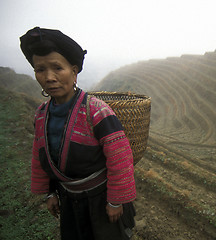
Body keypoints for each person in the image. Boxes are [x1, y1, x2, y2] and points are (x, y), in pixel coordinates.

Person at [20, 27, 136, 240]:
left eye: (57, 68)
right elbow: (41, 156)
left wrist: (115, 201)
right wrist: (50, 192)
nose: (49, 77)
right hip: (69, 198)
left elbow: (120, 158)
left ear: (74, 71)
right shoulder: (41, 114)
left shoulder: (96, 111)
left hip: (101, 198)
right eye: (40, 70)